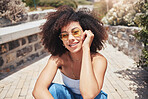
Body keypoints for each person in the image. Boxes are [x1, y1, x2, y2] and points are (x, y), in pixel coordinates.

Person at [32, 5, 108, 99]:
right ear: (61, 41)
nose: (70, 38)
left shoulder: (98, 60)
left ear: (87, 33)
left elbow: (89, 95)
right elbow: (38, 90)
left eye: (75, 32)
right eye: (64, 35)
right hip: (69, 97)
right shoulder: (58, 59)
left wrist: (86, 49)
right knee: (53, 89)